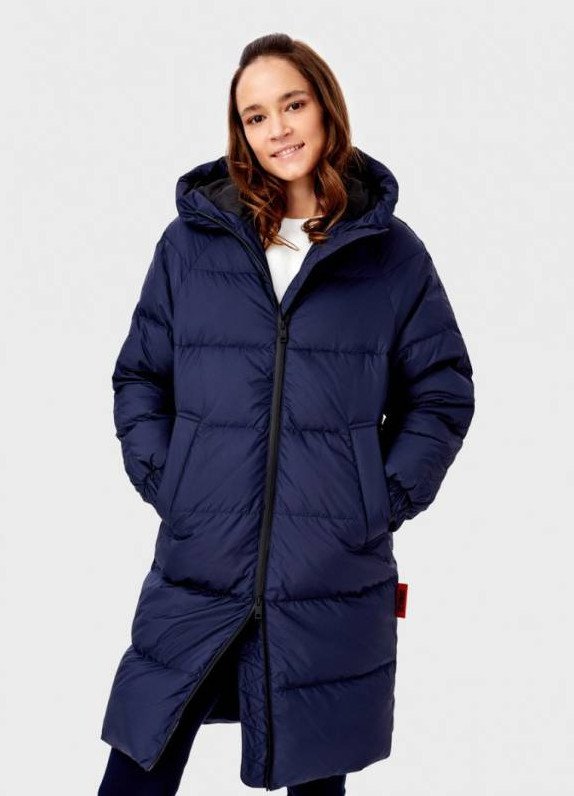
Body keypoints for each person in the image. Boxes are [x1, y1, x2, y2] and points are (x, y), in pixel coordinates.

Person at [98, 32, 475, 794]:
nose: (278, 129)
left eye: (292, 104)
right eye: (256, 116)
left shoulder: (391, 256)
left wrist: (378, 497)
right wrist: (172, 481)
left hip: (329, 572)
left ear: (326, 109)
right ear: (241, 132)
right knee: (138, 765)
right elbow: (140, 375)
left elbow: (441, 390)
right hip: (200, 564)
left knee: (315, 777)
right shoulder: (191, 246)